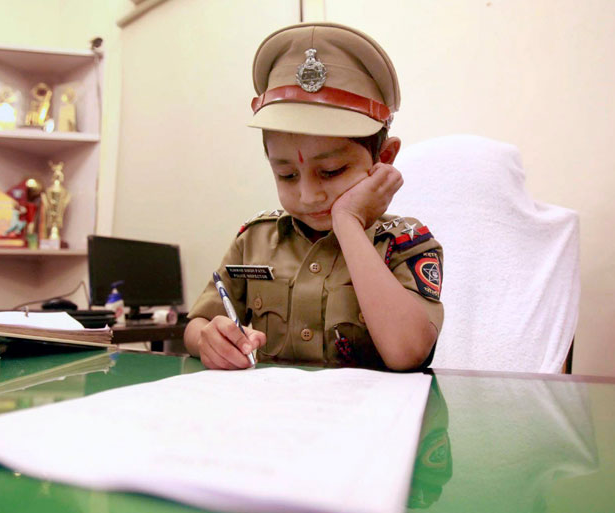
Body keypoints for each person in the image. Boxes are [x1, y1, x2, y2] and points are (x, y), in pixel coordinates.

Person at [184, 22, 444, 371]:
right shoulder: (255, 240)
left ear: (383, 159)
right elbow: (196, 325)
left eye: (332, 171)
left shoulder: (405, 243)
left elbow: (406, 352)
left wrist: (348, 222)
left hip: (372, 422)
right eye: (286, 174)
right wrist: (208, 339)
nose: (308, 195)